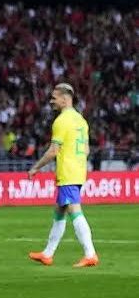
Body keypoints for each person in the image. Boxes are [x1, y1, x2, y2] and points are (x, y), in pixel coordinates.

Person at [28, 83, 98, 268]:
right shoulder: (81, 120)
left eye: (54, 97)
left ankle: (90, 254)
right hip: (77, 170)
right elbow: (87, 149)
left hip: (67, 171)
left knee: (74, 210)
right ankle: (47, 254)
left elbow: (53, 151)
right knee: (60, 211)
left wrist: (36, 168)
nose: (51, 100)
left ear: (65, 98)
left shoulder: (61, 121)